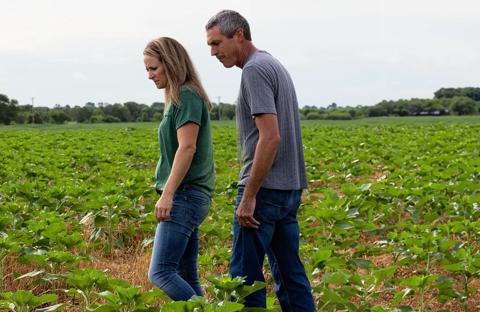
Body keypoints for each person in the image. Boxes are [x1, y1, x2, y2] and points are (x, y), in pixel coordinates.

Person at [206, 10, 316, 311]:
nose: (213, 53)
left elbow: (270, 137)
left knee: (244, 280)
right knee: (291, 276)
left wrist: (249, 195)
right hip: (288, 190)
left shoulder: (254, 70)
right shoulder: (273, 64)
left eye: (217, 44)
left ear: (239, 35)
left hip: (264, 192)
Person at [144, 37, 214, 301]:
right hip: (189, 194)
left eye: (154, 68)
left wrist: (168, 194)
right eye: (148, 70)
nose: (150, 76)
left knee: (160, 272)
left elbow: (187, 148)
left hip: (185, 194)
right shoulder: (180, 97)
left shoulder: (186, 96)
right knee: (186, 273)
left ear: (170, 64)